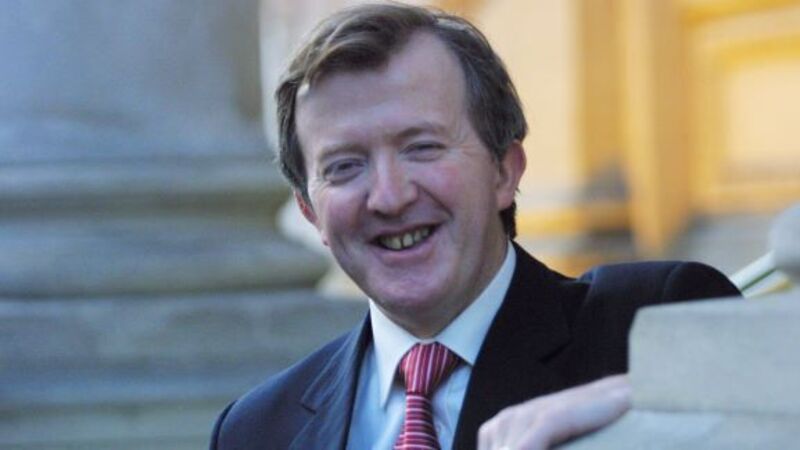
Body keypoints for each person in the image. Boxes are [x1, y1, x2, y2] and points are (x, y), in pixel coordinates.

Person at [210, 3, 740, 449]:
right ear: (309, 211)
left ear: (504, 172)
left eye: (422, 147)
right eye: (345, 166)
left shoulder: (653, 325)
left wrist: (643, 395)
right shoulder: (257, 431)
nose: (389, 197)